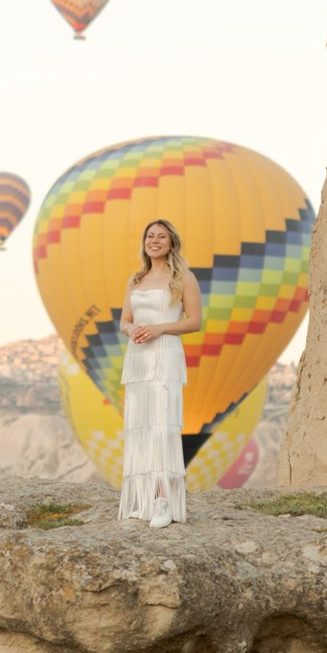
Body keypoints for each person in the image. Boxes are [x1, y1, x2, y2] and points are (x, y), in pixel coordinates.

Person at [117, 218, 202, 528]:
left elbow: (194, 322)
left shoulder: (183, 279)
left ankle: (165, 500)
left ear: (171, 244)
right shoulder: (136, 279)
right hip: (138, 357)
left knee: (162, 425)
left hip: (165, 354)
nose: (154, 241)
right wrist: (132, 330)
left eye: (161, 237)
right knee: (140, 425)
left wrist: (158, 328)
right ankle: (144, 498)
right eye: (150, 236)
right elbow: (124, 320)